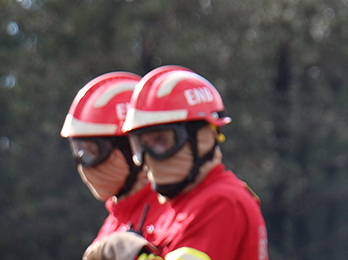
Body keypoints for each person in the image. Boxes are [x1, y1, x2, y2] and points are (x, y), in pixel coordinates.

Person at [87, 65, 269, 260]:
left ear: (202, 138)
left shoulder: (222, 202)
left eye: (161, 141)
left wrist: (136, 256)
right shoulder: (178, 207)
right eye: (142, 145)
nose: (149, 157)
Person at [61, 72, 165, 244]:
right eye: (80, 151)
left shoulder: (171, 214)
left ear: (131, 147)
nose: (84, 165)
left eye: (93, 151)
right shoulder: (113, 223)